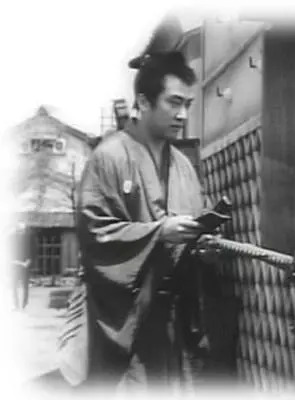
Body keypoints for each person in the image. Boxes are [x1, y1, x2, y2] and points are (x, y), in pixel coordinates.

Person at [76, 51, 212, 393]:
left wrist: (202, 240)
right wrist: (159, 232)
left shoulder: (182, 164)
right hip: (129, 316)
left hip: (175, 319)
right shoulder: (108, 157)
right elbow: (95, 232)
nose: (183, 115)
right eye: (174, 102)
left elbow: (195, 218)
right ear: (143, 101)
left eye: (188, 105)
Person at [11, 222, 31, 310]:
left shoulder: (28, 240)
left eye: (23, 230)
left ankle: (24, 304)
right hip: (15, 265)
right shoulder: (12, 239)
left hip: (25, 265)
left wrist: (29, 261)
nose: (21, 232)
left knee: (25, 286)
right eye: (19, 230)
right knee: (14, 285)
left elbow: (32, 251)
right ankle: (16, 304)